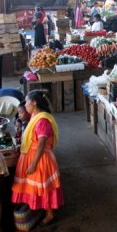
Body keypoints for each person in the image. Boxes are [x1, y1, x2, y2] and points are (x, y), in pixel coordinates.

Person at [12, 90, 63, 226]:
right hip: (32, 156)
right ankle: (40, 208)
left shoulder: (42, 121)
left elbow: (41, 144)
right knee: (35, 187)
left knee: (44, 187)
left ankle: (49, 213)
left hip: (40, 159)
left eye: (27, 101)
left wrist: (33, 164)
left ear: (34, 103)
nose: (25, 104)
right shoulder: (34, 115)